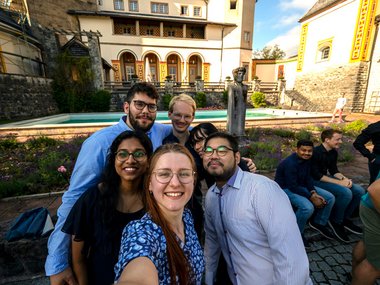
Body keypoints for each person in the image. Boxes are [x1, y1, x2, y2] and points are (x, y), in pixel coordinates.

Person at [46, 82, 172, 284]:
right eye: (139, 104)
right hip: (108, 235)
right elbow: (74, 200)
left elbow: (185, 125)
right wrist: (57, 263)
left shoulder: (157, 131)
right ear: (126, 107)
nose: (145, 111)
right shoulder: (99, 143)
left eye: (151, 106)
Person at [203, 132, 312, 285]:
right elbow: (212, 241)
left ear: (237, 157)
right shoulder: (211, 197)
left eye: (222, 150)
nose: (213, 156)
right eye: (208, 151)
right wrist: (209, 278)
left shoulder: (261, 189)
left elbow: (290, 255)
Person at [61, 131, 153, 285]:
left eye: (139, 153)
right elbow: (78, 258)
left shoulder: (155, 200)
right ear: (114, 160)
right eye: (122, 154)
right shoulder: (93, 199)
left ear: (149, 160)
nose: (130, 160)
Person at [114, 144, 205, 284]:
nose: (175, 183)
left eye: (184, 174)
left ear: (193, 180)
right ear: (150, 183)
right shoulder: (142, 232)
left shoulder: (186, 217)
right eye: (164, 174)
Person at [275, 140, 335, 247]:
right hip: (285, 188)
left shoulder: (307, 160)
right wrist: (311, 197)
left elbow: (308, 178)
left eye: (309, 151)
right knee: (307, 207)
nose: (306, 153)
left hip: (300, 185)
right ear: (297, 149)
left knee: (330, 197)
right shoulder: (290, 163)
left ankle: (319, 222)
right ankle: (296, 233)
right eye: (303, 150)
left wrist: (313, 192)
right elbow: (292, 186)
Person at [311, 129, 365, 242]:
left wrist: (344, 179)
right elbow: (316, 175)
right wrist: (340, 183)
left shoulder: (333, 152)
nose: (340, 141)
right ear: (327, 139)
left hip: (324, 178)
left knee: (359, 190)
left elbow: (334, 170)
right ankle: (336, 221)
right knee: (345, 193)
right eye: (338, 139)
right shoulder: (315, 152)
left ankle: (345, 218)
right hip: (314, 181)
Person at [162, 94, 204, 239]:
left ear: (193, 117)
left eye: (187, 116)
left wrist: (241, 161)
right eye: (178, 115)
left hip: (194, 206)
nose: (182, 120)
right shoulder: (163, 144)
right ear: (169, 114)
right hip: (169, 207)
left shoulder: (198, 143)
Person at [351, 177, 380, 285]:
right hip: (375, 205)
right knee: (375, 266)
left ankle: (355, 274)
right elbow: (376, 189)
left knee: (366, 243)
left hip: (371, 205)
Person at [227, 67, 248, 136]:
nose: (241, 75)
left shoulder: (245, 87)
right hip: (233, 110)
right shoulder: (231, 86)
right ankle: (232, 132)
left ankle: (241, 132)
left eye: (242, 74)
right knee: (233, 119)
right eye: (239, 73)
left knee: (241, 119)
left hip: (241, 108)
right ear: (235, 75)